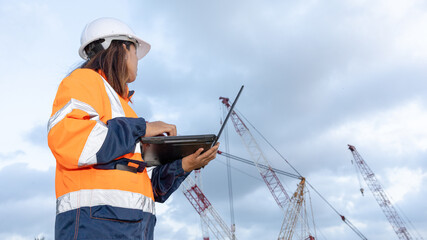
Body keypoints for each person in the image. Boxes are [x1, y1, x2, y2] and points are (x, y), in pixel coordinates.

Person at [47, 17, 219, 240]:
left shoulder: (125, 108)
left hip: (134, 229)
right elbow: (71, 142)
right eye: (136, 52)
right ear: (122, 48)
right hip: (95, 228)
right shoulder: (83, 81)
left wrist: (185, 165)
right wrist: (142, 128)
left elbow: (147, 186)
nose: (138, 60)